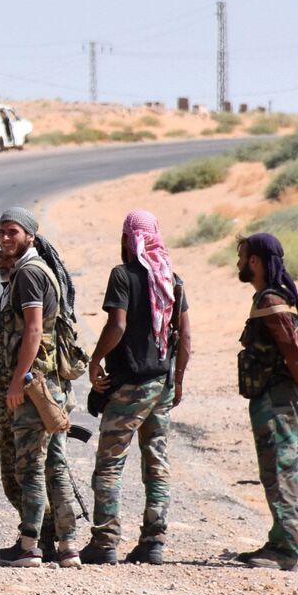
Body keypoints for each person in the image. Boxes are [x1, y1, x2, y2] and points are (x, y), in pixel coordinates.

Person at [82, 211, 189, 566]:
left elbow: (117, 325)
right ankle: (154, 541)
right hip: (160, 383)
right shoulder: (172, 280)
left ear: (128, 239)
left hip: (129, 384)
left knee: (110, 463)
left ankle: (105, 541)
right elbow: (185, 339)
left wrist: (96, 359)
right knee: (156, 463)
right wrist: (178, 381)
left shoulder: (123, 275)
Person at [0, 208, 85, 570]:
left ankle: (29, 546)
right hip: (49, 386)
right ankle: (68, 547)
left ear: (30, 236)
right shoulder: (35, 270)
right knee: (55, 467)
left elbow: (32, 330)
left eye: (12, 232)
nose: (4, 239)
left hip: (33, 386)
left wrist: (18, 379)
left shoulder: (30, 273)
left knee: (30, 467)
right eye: (1, 232)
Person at [232, 233, 298, 571]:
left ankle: (286, 549)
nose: (240, 263)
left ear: (255, 261)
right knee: (280, 470)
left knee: (280, 471)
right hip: (282, 397)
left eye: (243, 257)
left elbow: (291, 348)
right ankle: (278, 540)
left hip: (278, 401)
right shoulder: (281, 297)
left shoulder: (271, 300)